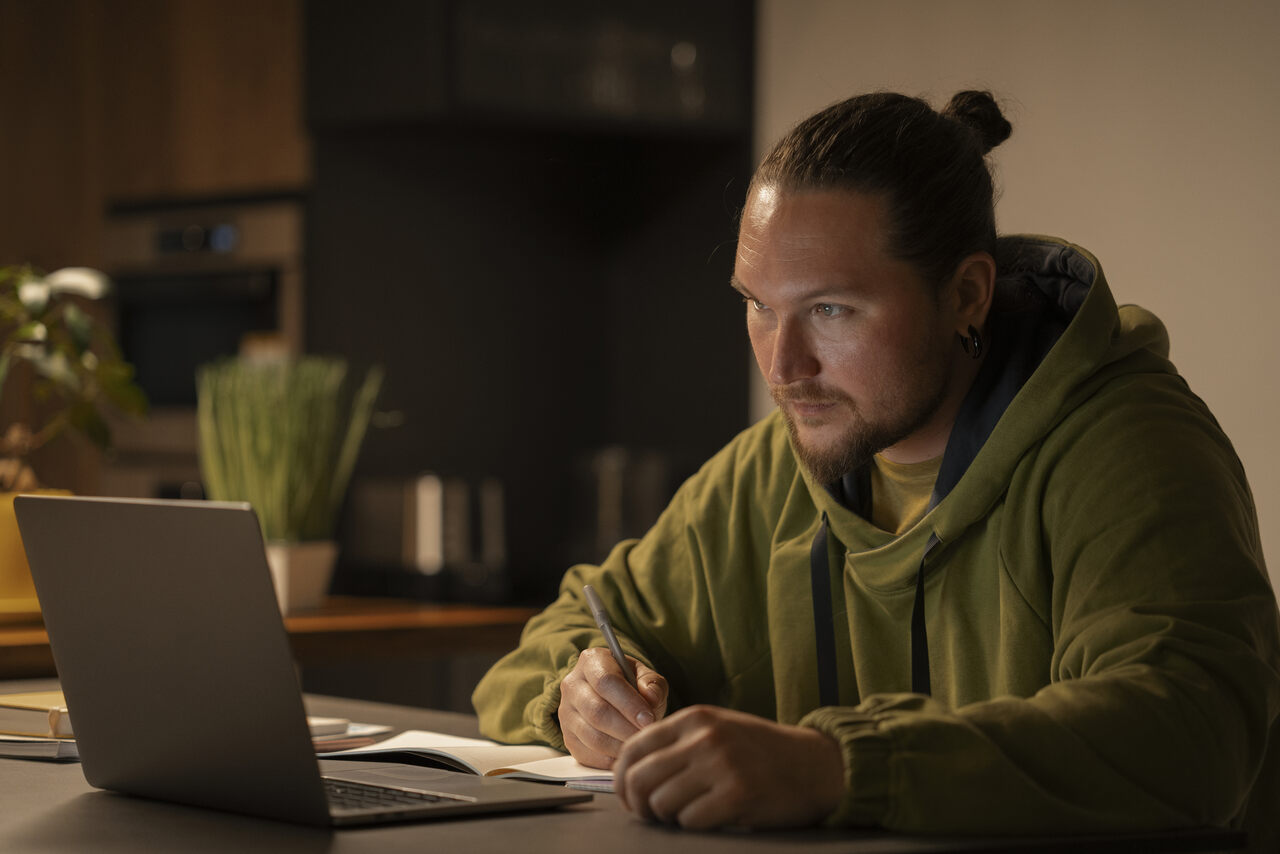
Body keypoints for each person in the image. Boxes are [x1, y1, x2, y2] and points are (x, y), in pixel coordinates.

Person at [472, 91, 1280, 846]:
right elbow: (542, 652)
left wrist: (839, 766)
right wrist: (577, 696)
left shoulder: (1128, 447)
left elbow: (1190, 733)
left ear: (967, 294)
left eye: (831, 309)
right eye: (759, 305)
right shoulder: (767, 474)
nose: (782, 365)